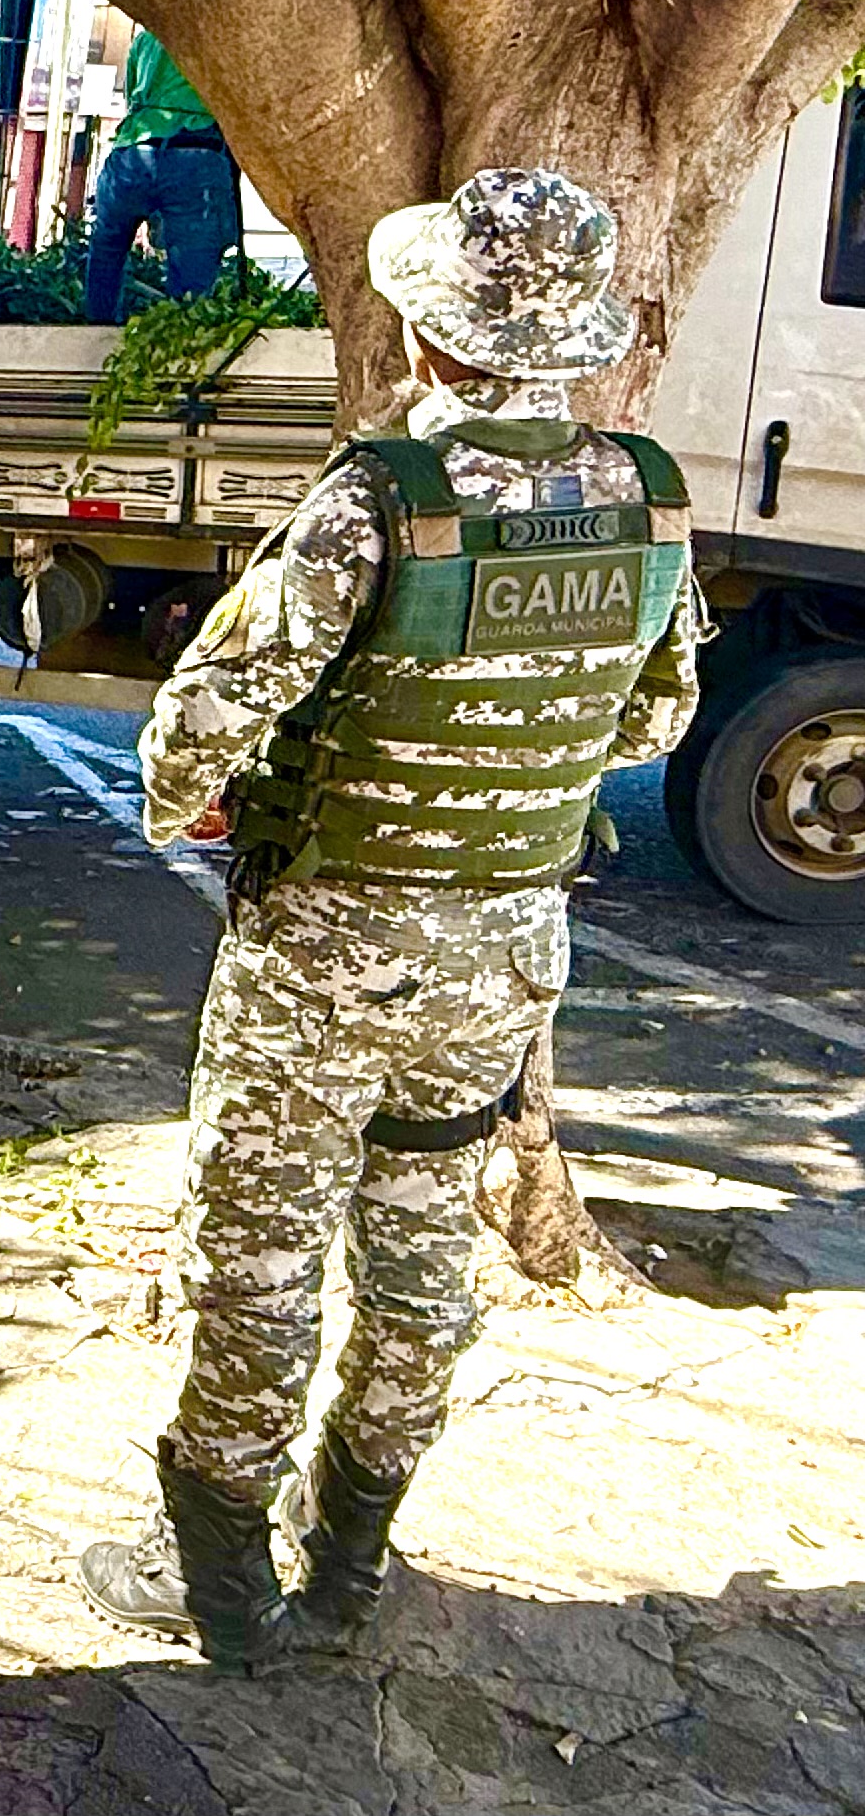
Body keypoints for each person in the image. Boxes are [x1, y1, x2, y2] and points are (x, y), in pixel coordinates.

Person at [72, 169, 707, 1670]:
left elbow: (206, 716)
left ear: (431, 333)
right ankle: (351, 1556)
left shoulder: (381, 500)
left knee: (263, 1251)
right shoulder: (647, 497)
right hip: (504, 953)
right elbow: (658, 715)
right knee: (424, 1246)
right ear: (570, 338)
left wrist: (188, 806)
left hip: (324, 955)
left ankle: (220, 1578)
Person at [83, 28, 242, 322]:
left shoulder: (147, 36)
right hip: (194, 153)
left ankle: (95, 327)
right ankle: (182, 334)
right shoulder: (221, 35)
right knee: (193, 273)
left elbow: (132, 97)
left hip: (131, 152)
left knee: (107, 249)